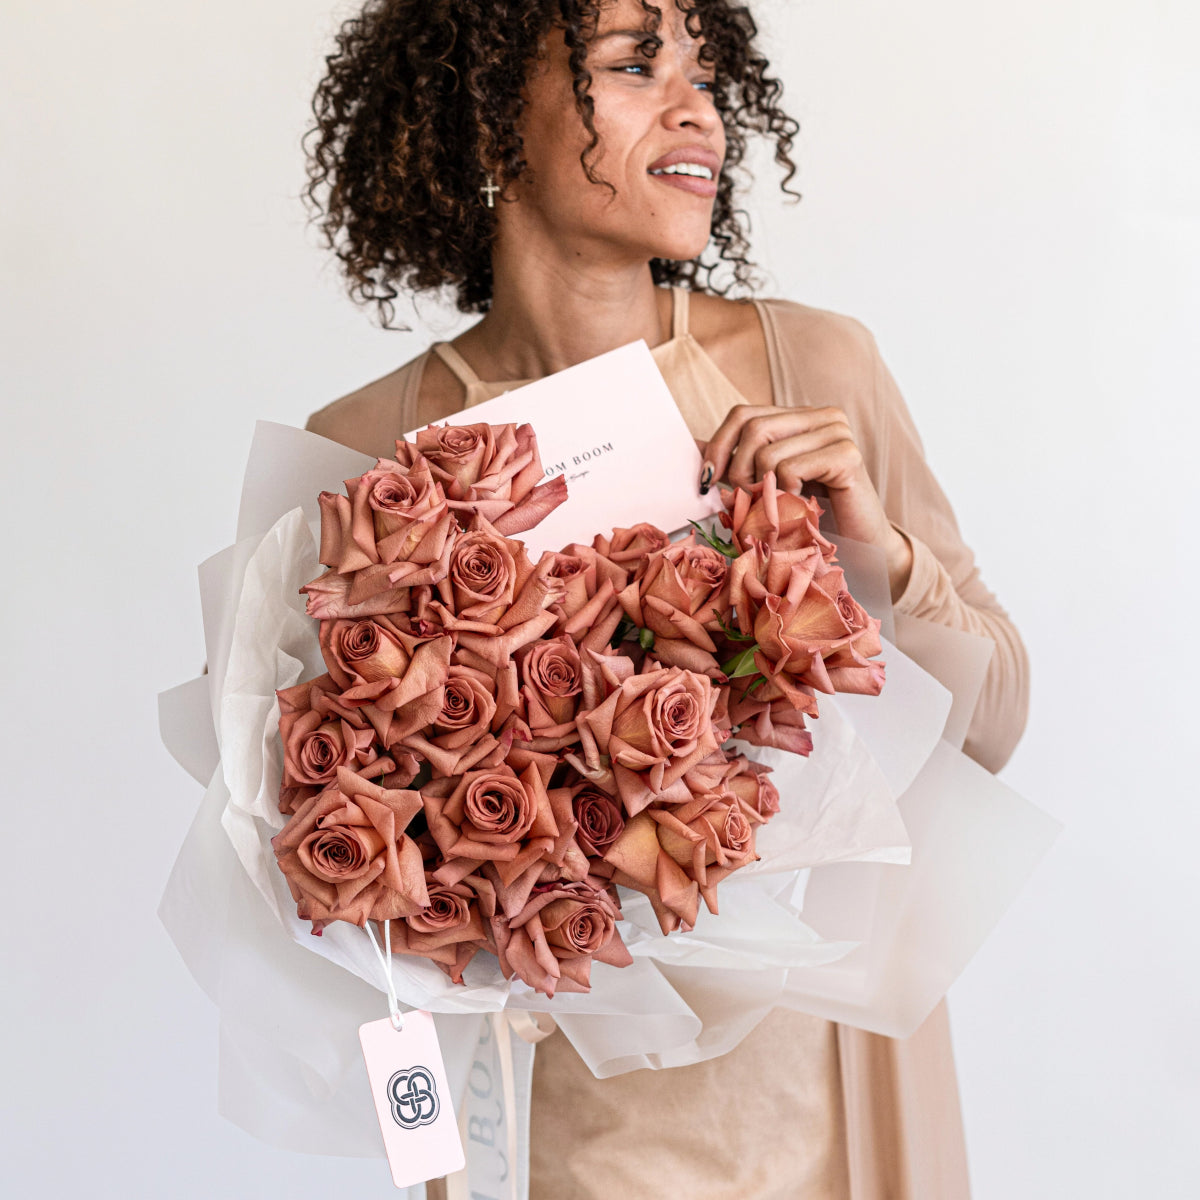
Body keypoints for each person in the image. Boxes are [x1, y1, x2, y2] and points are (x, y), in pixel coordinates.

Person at [301, 2, 1030, 1196]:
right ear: (492, 124)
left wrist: (881, 559)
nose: (697, 107)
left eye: (704, 69)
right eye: (633, 67)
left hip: (812, 1117)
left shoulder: (811, 369)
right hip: (543, 1124)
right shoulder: (365, 452)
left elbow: (996, 722)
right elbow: (347, 907)